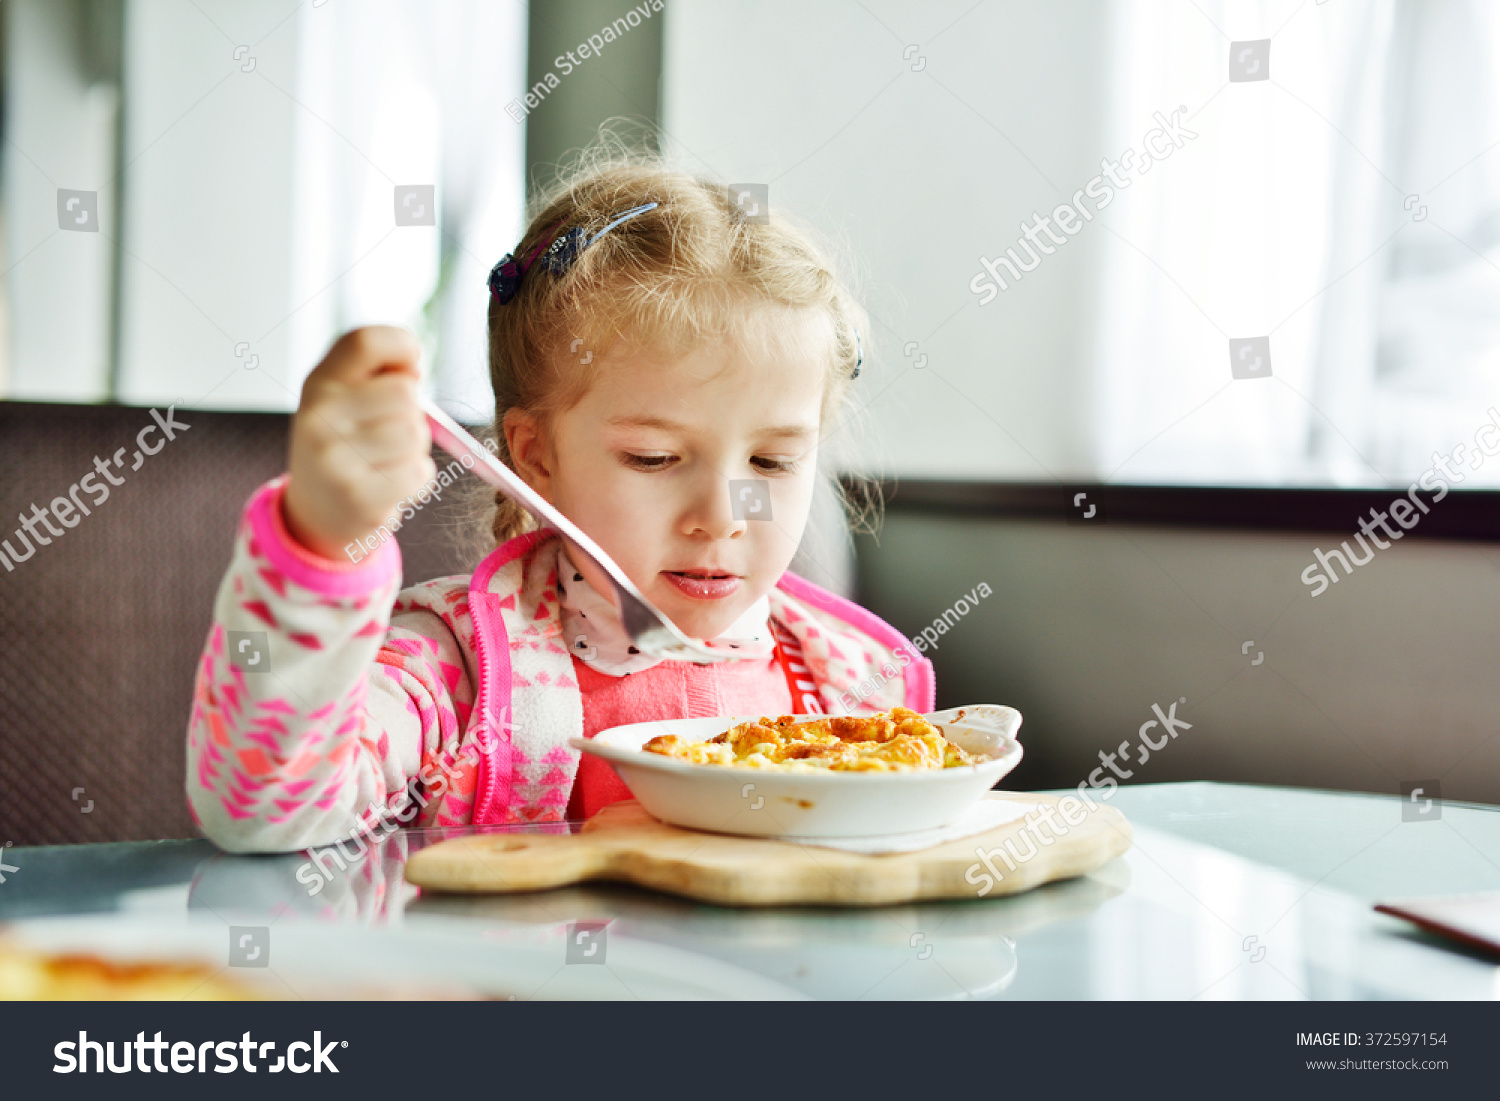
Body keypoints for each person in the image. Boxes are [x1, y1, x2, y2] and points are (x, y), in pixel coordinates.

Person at [185, 150, 934, 854]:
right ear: (535, 455)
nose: (722, 515)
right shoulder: (458, 669)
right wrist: (318, 544)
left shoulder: (853, 688)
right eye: (655, 457)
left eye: (772, 460)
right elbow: (261, 808)